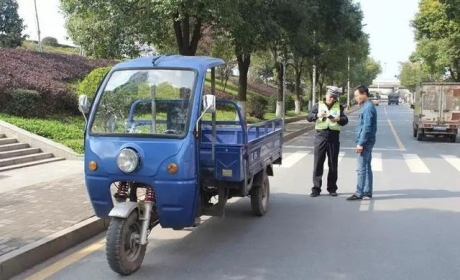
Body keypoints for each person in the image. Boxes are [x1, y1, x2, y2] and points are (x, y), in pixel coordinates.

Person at [307, 86, 349, 197]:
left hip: (333, 138)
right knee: (318, 164)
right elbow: (309, 117)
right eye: (330, 97)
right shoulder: (318, 105)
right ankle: (316, 188)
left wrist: (338, 119)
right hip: (320, 136)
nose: (332, 99)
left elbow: (345, 120)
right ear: (326, 95)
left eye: (334, 97)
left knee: (333, 164)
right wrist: (317, 115)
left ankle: (332, 188)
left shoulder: (339, 107)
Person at [347, 85, 378, 201]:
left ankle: (359, 193)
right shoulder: (367, 106)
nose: (356, 98)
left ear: (364, 94)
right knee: (366, 166)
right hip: (368, 141)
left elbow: (367, 127)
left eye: (357, 95)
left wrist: (360, 143)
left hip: (365, 142)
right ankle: (367, 191)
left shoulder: (368, 107)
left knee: (361, 168)